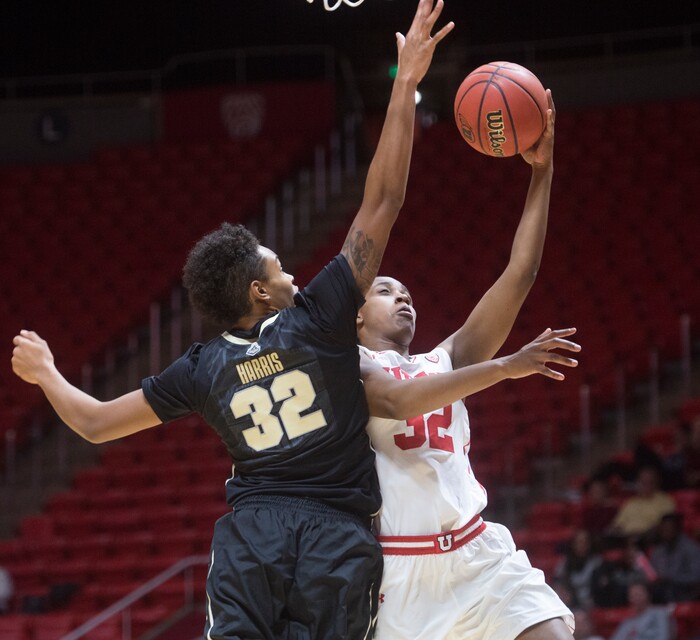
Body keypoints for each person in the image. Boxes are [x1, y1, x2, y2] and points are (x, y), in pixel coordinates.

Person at [10, 2, 454, 638]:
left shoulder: (202, 367)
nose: (293, 274)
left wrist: (48, 373)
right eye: (278, 269)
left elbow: (95, 422)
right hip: (336, 537)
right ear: (260, 291)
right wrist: (405, 83)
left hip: (255, 537)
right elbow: (384, 198)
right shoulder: (319, 316)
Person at [357, 90, 578, 639]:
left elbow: (519, 274)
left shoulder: (446, 358)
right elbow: (394, 399)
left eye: (408, 291)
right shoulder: (344, 364)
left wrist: (541, 173)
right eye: (385, 290)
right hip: (404, 576)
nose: (403, 297)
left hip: (480, 553)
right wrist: (506, 366)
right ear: (355, 316)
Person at [608, 466, 676, 543]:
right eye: (643, 483)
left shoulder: (665, 501)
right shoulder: (630, 502)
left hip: (648, 538)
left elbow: (667, 526)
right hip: (625, 538)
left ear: (656, 483)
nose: (646, 487)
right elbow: (618, 524)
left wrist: (641, 534)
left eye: (650, 483)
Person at [649, 512, 700, 603]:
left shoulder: (692, 549)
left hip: (684, 593)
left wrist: (671, 578)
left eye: (668, 528)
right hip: (660, 592)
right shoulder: (658, 551)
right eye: (663, 528)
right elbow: (652, 574)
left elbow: (696, 577)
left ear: (678, 529)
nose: (665, 532)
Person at [553, 529, 603, 610]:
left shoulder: (596, 562)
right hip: (569, 602)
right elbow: (557, 581)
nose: (581, 545)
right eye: (578, 542)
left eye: (584, 542)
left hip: (588, 604)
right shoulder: (566, 562)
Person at [608, 580, 673, 640]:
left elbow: (663, 637)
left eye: (638, 595)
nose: (636, 598)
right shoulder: (628, 622)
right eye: (632, 596)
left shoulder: (659, 613)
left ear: (648, 595)